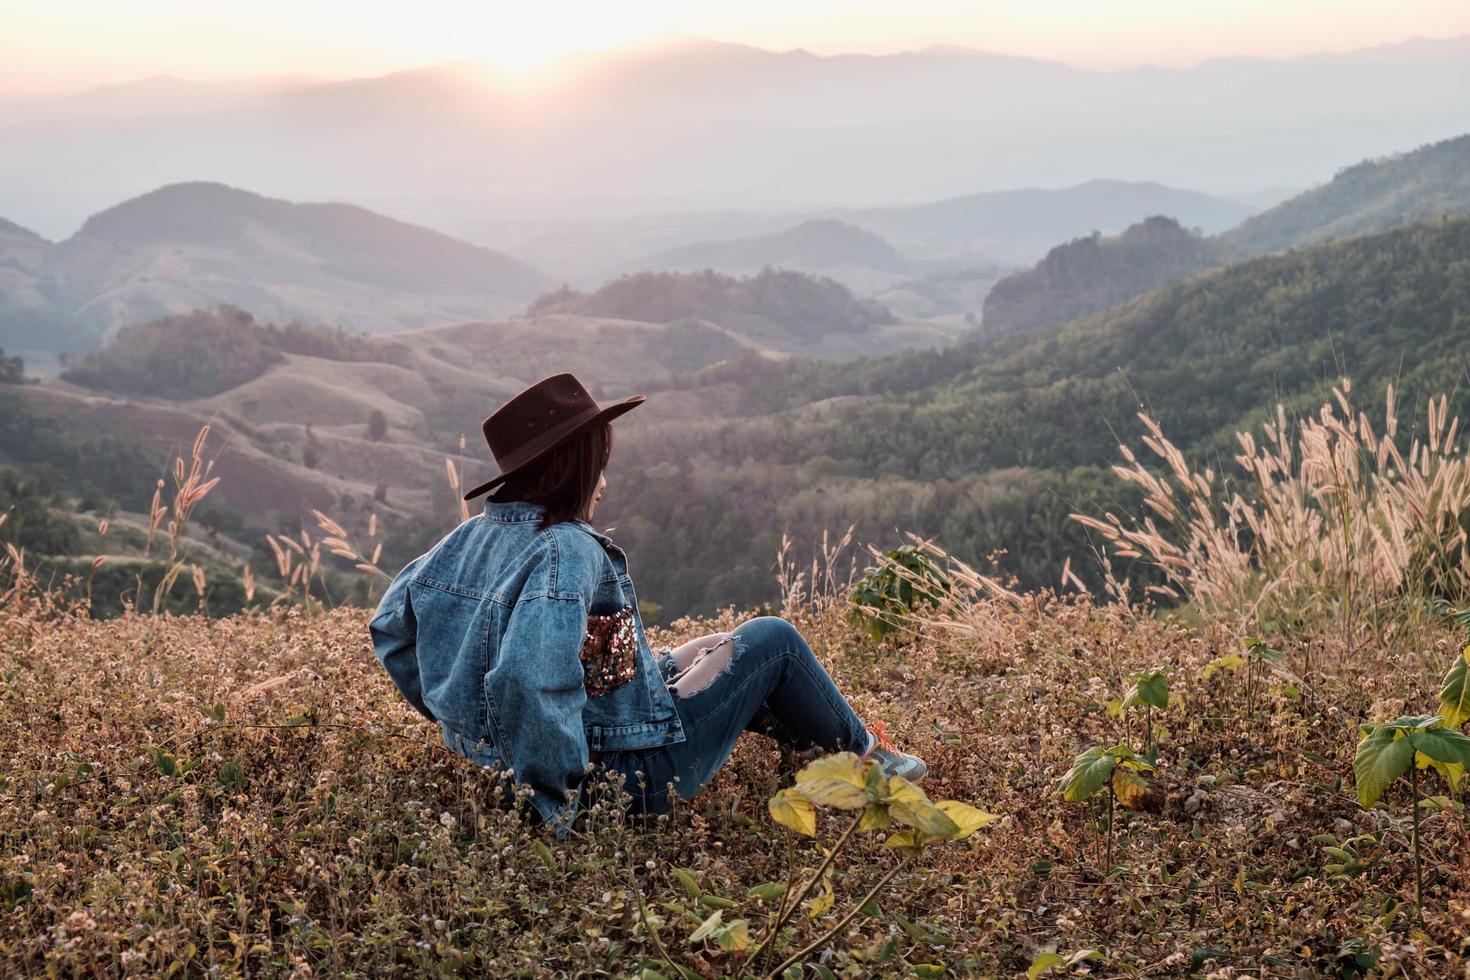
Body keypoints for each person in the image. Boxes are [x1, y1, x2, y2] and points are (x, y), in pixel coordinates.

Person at [369, 372, 925, 836]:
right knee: (773, 639)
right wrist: (559, 803)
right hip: (623, 781)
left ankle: (813, 751)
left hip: (539, 754)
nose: (605, 482)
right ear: (576, 465)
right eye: (600, 464)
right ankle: (869, 762)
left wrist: (471, 728)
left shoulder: (463, 541)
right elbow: (528, 678)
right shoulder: (567, 549)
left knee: (710, 648)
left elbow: (391, 630)